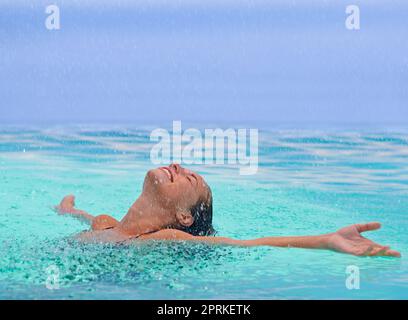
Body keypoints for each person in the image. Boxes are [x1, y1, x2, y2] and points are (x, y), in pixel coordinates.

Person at [56, 164, 400, 257]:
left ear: (184, 217)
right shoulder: (104, 224)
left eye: (188, 178)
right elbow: (84, 217)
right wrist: (68, 209)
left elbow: (246, 245)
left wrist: (326, 240)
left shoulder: (165, 237)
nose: (176, 165)